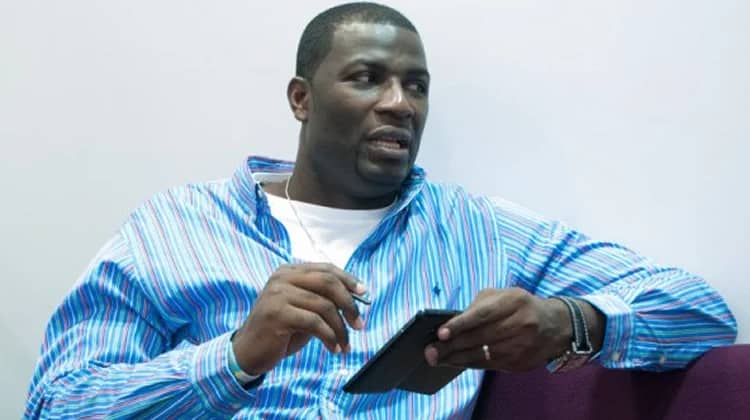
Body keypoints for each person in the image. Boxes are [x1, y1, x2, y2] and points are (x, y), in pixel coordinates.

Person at [25, 2, 736, 419]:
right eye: (368, 78)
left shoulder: (476, 230)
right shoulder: (175, 228)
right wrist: (237, 357)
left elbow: (699, 310)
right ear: (301, 99)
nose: (400, 103)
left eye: (416, 85)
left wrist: (569, 323)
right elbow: (57, 404)